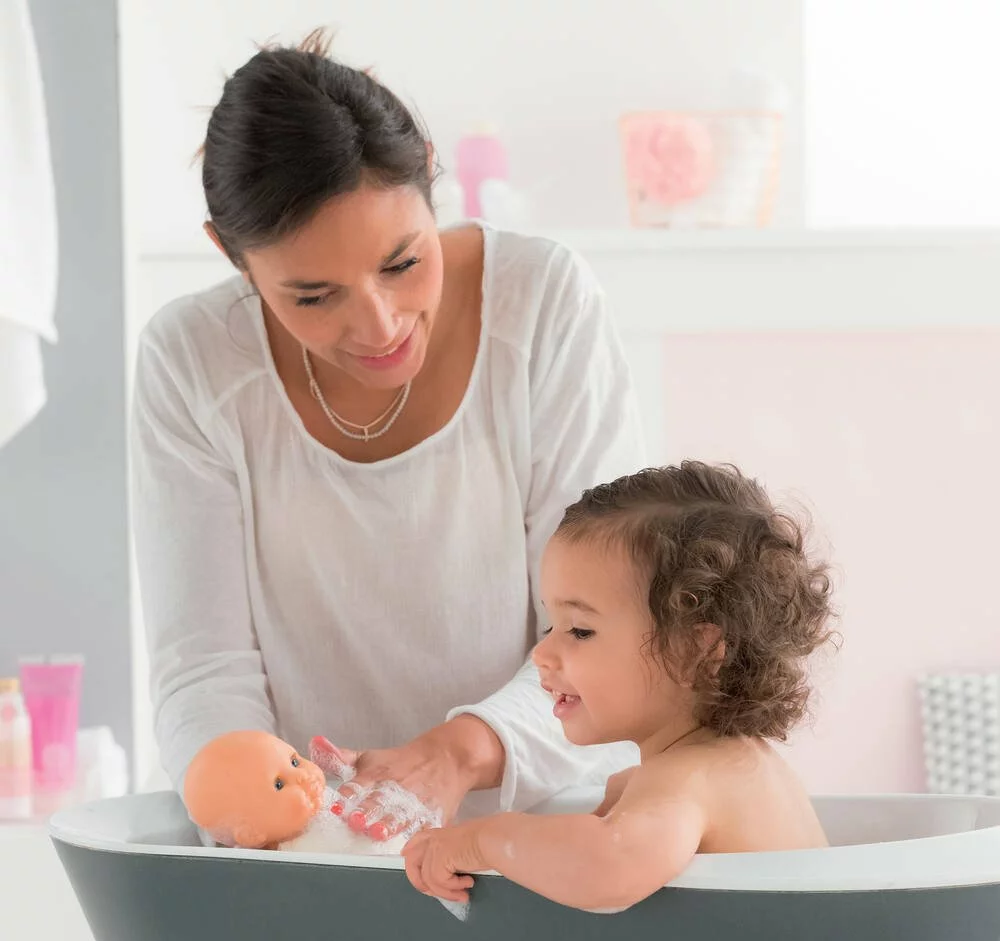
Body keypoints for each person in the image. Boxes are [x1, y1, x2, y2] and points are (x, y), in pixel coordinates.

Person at [130, 30, 645, 840]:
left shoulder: (542, 304)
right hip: (308, 843)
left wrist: (460, 753)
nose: (379, 326)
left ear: (429, 174)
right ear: (230, 255)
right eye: (313, 296)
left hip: (542, 833)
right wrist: (260, 812)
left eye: (403, 264)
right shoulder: (192, 360)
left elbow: (603, 631)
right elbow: (202, 668)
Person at [403, 462, 836, 910]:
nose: (542, 654)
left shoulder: (686, 779)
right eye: (552, 625)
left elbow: (607, 867)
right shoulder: (737, 766)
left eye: (580, 630)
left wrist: (484, 839)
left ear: (696, 651)